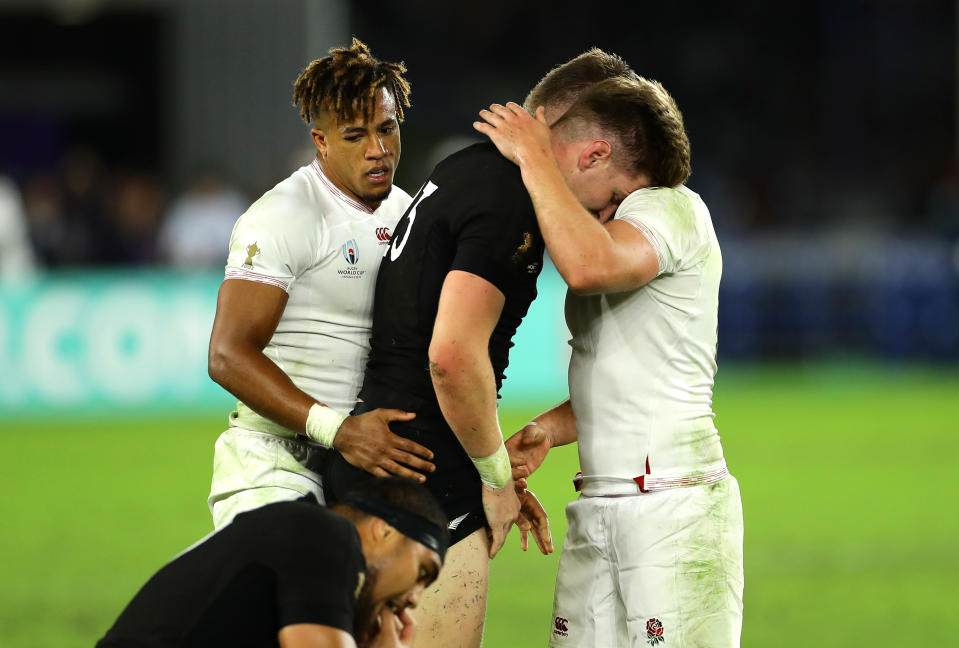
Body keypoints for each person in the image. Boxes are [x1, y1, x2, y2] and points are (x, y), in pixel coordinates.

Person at [323, 49, 651, 648]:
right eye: (613, 197)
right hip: (426, 476)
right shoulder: (510, 198)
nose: (606, 215)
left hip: (381, 462)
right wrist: (496, 478)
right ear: (592, 148)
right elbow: (451, 357)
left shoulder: (465, 167)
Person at [474, 76, 745, 647]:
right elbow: (627, 374)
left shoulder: (672, 208)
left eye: (612, 203)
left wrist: (533, 157)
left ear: (597, 154)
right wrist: (550, 427)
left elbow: (587, 266)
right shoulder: (615, 228)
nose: (606, 214)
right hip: (598, 505)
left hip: (673, 507)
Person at [206, 38, 436, 530]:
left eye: (387, 129)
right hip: (273, 462)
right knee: (298, 594)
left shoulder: (409, 212)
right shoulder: (286, 214)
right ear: (321, 141)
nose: (378, 150)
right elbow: (227, 355)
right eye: (355, 136)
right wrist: (340, 430)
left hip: (363, 464)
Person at [96, 477, 448, 648]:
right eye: (422, 572)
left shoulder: (301, 538)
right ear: (384, 531)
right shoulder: (330, 534)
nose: (415, 598)